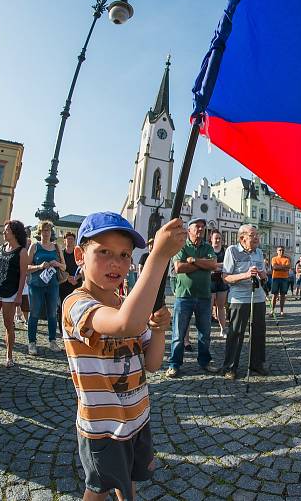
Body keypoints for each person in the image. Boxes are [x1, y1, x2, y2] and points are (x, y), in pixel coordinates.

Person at [62, 212, 184, 501]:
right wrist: (158, 256)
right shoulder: (76, 303)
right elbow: (123, 324)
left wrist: (158, 330)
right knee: (98, 490)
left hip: (137, 419)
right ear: (80, 254)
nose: (116, 262)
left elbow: (152, 364)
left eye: (124, 255)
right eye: (104, 252)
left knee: (128, 481)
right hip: (102, 428)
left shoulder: (126, 304)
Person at [166, 218, 219, 378]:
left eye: (203, 227)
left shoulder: (207, 247)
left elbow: (213, 265)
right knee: (178, 334)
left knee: (205, 333)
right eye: (197, 227)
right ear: (189, 230)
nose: (201, 229)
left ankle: (204, 361)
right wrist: (203, 264)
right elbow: (179, 268)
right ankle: (174, 364)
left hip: (204, 296)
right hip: (184, 296)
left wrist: (194, 260)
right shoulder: (181, 246)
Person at [221, 224, 268, 379]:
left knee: (259, 333)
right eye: (252, 235)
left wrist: (263, 275)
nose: (256, 238)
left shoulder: (259, 252)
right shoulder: (232, 251)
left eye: (257, 235)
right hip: (239, 298)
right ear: (242, 238)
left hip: (258, 297)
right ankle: (230, 367)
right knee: (236, 333)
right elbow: (226, 277)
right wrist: (245, 275)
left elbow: (265, 277)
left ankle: (257, 364)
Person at [0, 220, 29, 366]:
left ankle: (9, 356)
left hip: (11, 293)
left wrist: (19, 295)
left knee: (9, 325)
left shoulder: (22, 251)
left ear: (14, 233)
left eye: (6, 230)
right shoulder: (1, 248)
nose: (3, 232)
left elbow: (23, 275)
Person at [27, 220, 67, 355]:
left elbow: (64, 267)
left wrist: (57, 263)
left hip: (52, 285)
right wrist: (39, 266)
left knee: (52, 313)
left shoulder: (57, 247)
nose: (46, 233)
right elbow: (26, 267)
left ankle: (52, 341)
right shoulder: (34, 246)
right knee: (34, 313)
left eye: (48, 230)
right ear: (40, 232)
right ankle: (32, 343)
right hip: (36, 285)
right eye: (44, 230)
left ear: (51, 232)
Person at [57, 232, 82, 329]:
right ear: (64, 240)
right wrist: (68, 278)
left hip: (76, 283)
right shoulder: (61, 254)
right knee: (62, 307)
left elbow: (83, 267)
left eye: (72, 239)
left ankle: (74, 328)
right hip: (63, 284)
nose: (70, 241)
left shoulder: (79, 253)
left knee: (76, 307)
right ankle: (62, 328)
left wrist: (77, 277)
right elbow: (59, 268)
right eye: (68, 239)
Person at [208, 232, 229, 336]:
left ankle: (223, 329)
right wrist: (217, 266)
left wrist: (215, 265)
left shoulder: (224, 251)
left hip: (222, 281)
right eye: (215, 238)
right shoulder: (208, 250)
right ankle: (207, 330)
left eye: (219, 238)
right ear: (211, 239)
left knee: (221, 306)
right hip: (210, 281)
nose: (217, 240)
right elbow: (208, 265)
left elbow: (227, 265)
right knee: (209, 307)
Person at [269, 246, 291, 317]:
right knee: (274, 295)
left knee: (283, 295)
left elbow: (288, 268)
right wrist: (283, 267)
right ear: (277, 251)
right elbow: (274, 267)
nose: (281, 251)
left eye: (283, 250)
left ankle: (281, 310)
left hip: (284, 278)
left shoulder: (287, 259)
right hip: (275, 278)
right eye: (280, 250)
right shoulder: (274, 258)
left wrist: (279, 267)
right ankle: (272, 310)